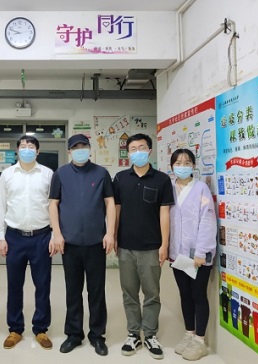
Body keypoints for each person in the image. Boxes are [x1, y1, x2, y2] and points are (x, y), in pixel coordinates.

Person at [49, 134, 115, 356]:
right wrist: (57, 234)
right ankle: (74, 334)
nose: (80, 150)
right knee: (73, 291)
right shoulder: (61, 174)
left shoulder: (101, 173)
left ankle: (97, 335)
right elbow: (53, 204)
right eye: (75, 147)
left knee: (96, 291)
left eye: (83, 146)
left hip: (96, 243)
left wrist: (110, 233)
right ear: (69, 151)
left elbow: (110, 203)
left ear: (89, 149)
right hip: (70, 244)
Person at [113, 133, 174, 360]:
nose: (137, 152)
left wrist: (164, 244)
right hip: (126, 247)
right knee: (129, 293)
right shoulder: (120, 178)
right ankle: (133, 334)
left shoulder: (162, 180)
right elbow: (116, 210)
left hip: (151, 247)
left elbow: (165, 214)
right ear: (128, 153)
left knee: (151, 294)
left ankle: (149, 334)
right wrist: (114, 236)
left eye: (141, 148)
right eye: (133, 149)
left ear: (149, 151)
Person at [0, 135, 54, 350]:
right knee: (14, 284)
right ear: (17, 151)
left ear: (37, 151)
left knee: (43, 285)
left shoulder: (48, 174)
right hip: (14, 237)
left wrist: (55, 235)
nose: (26, 149)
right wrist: (1, 237)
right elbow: (1, 206)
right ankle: (15, 329)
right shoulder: (8, 174)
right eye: (22, 146)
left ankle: (41, 329)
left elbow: (54, 206)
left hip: (42, 236)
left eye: (31, 146)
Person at [168, 148, 217, 361]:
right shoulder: (169, 189)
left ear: (193, 166)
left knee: (198, 295)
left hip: (198, 256)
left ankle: (200, 341)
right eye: (178, 162)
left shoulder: (201, 189)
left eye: (187, 162)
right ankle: (189, 334)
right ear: (172, 166)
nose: (182, 166)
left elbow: (207, 220)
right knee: (185, 295)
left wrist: (201, 251)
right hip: (177, 255)